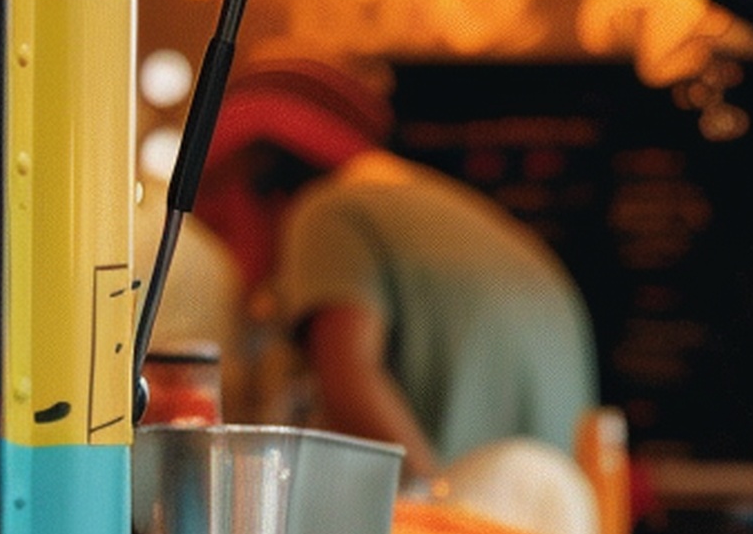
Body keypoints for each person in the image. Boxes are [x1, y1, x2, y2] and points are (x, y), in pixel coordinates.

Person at [212, 59, 595, 478]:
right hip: (562, 515)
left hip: (472, 523)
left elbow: (350, 381)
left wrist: (436, 507)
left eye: (219, 206)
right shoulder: (440, 210)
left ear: (259, 175)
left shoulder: (325, 211)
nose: (222, 239)